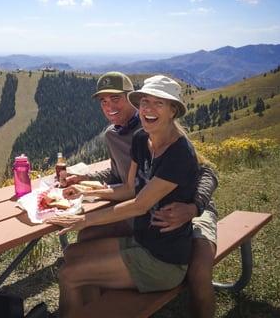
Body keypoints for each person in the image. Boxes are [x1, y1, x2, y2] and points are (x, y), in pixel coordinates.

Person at [47, 75, 214, 318]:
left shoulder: (179, 152)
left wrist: (84, 220)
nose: (148, 109)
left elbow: (139, 204)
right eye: (145, 102)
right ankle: (93, 309)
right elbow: (128, 187)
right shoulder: (140, 138)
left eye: (159, 104)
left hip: (163, 257)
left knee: (69, 275)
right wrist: (86, 188)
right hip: (143, 238)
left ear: (173, 111)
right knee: (72, 255)